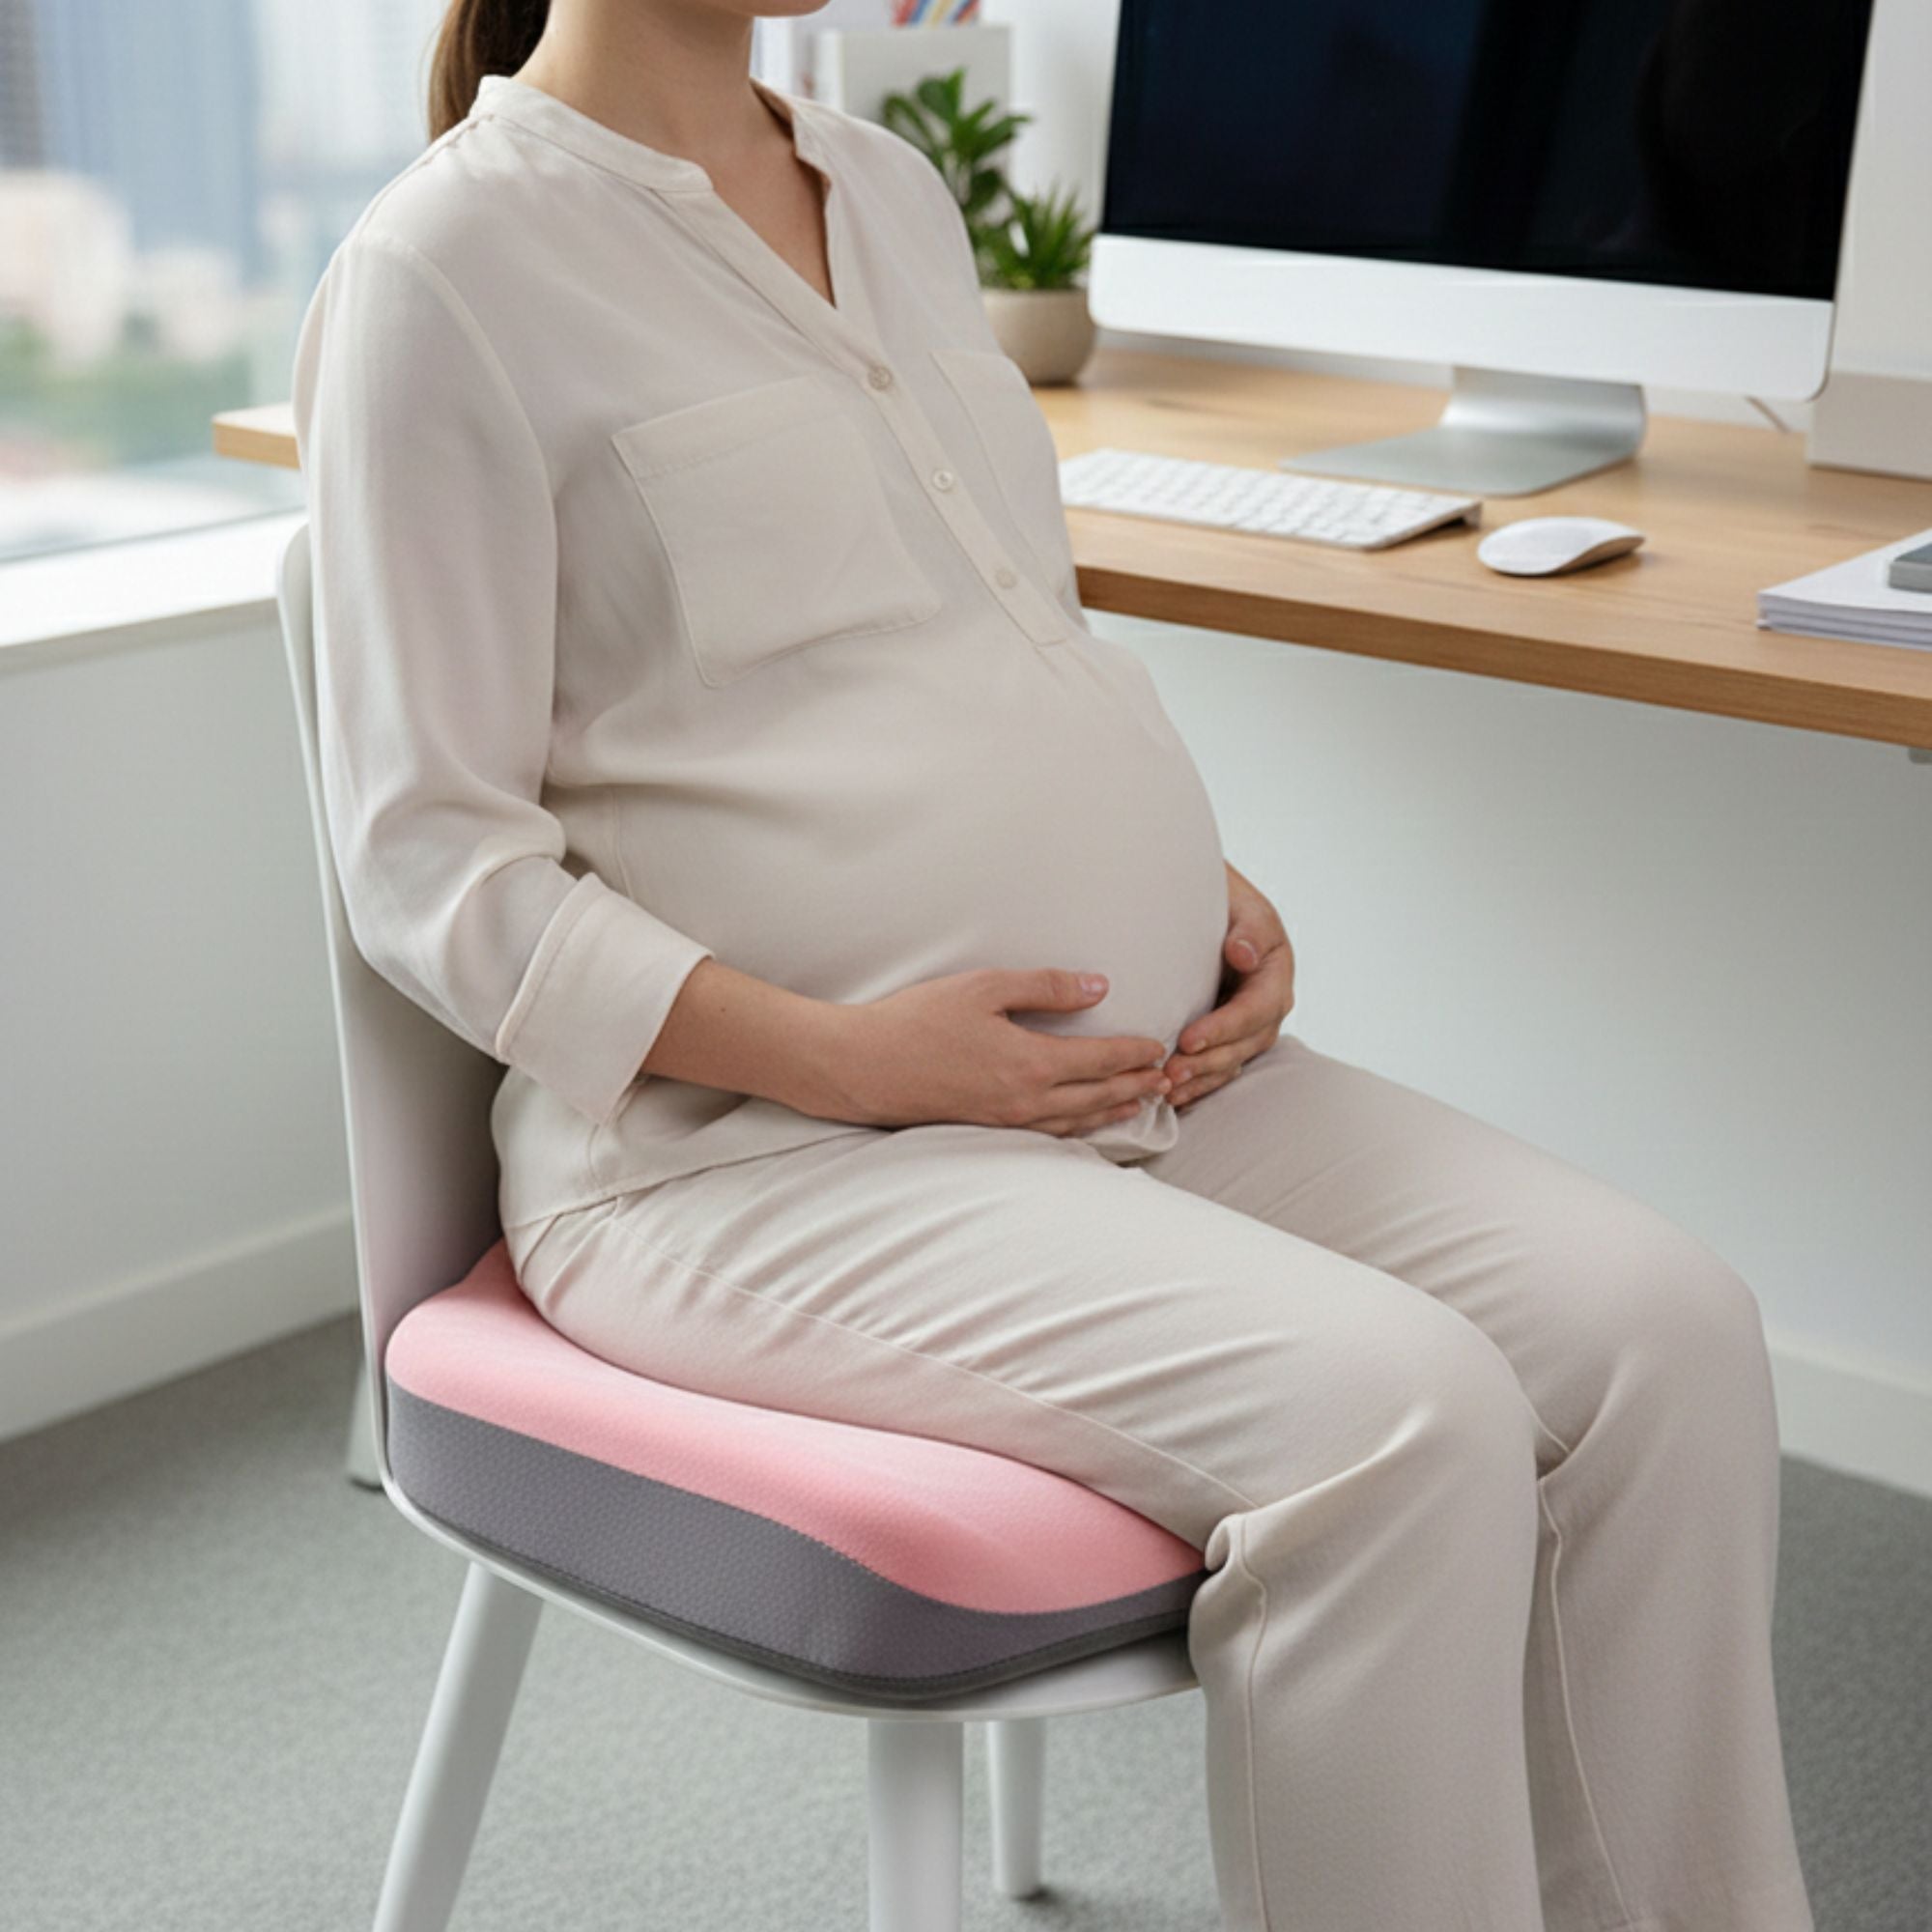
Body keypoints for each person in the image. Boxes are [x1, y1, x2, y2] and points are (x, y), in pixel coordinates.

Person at [290, 3, 1815, 1927]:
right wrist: (852, 1059)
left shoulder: (890, 191)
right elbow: (429, 865)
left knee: (1667, 1329)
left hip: (1135, 1080)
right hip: (744, 1162)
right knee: (1400, 1416)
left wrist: (1191, 887)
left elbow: (975, 635)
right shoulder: (445, 273)